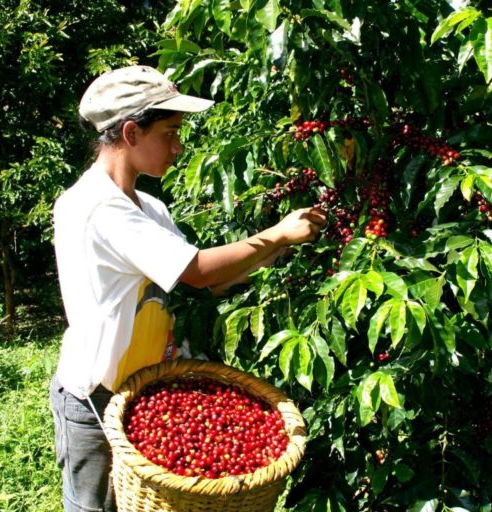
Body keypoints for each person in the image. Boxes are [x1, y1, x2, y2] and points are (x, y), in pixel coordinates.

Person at [49, 65, 326, 512]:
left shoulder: (149, 208)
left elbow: (203, 284)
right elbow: (197, 269)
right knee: (92, 507)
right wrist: (276, 234)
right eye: (170, 133)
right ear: (132, 132)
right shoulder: (97, 207)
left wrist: (281, 254)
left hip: (144, 387)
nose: (178, 148)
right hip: (95, 395)